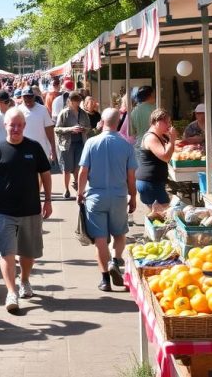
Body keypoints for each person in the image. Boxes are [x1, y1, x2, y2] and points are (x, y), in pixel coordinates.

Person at [0, 107, 53, 313]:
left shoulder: (34, 147)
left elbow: (46, 174)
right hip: (4, 211)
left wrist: (48, 200)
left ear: (24, 126)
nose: (16, 128)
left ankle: (25, 281)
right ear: (5, 125)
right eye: (12, 125)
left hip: (31, 209)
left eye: (20, 125)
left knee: (28, 253)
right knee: (7, 253)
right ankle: (11, 292)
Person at [78, 107, 138, 291]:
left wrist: (80, 193)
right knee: (119, 234)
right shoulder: (126, 145)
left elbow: (83, 172)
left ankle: (105, 279)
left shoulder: (91, 143)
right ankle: (115, 260)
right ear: (118, 123)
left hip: (96, 195)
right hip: (119, 195)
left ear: (102, 122)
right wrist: (133, 196)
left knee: (100, 239)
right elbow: (131, 176)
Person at [134, 109, 177, 207]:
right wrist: (172, 141)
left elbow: (168, 154)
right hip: (150, 183)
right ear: (157, 122)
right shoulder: (151, 138)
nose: (169, 125)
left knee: (159, 215)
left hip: (154, 182)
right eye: (166, 122)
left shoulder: (160, 136)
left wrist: (170, 141)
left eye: (170, 122)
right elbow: (165, 156)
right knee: (162, 214)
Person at [54, 91, 90, 198]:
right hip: (67, 144)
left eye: (78, 99)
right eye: (74, 100)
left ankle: (78, 188)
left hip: (80, 143)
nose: (77, 102)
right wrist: (71, 129)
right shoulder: (64, 113)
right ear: (70, 101)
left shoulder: (83, 113)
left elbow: (88, 127)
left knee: (78, 167)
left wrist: (83, 129)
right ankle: (66, 189)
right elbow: (57, 129)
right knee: (67, 168)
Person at [20, 89, 58, 169]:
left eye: (30, 97)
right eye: (26, 97)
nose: (28, 99)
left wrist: (53, 149)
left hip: (42, 149)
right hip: (23, 150)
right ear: (22, 97)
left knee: (39, 176)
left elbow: (49, 130)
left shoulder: (42, 109)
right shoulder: (18, 111)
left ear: (34, 97)